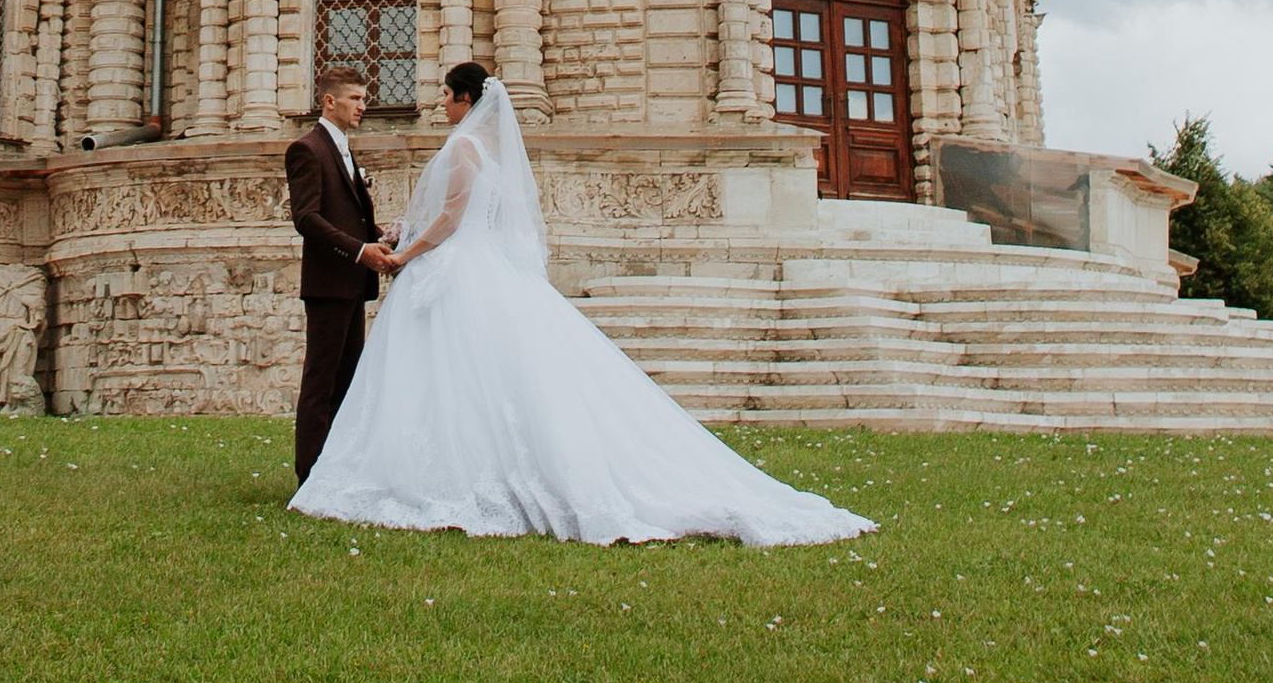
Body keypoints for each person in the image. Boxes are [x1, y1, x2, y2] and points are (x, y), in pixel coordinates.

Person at [292, 64, 873, 549]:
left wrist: (407, 253)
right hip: (468, 265)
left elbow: (450, 217)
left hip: (455, 266)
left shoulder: (466, 145)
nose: (439, 103)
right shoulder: (487, 147)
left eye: (446, 95)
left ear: (466, 100)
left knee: (453, 373)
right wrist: (396, 236)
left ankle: (436, 471)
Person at [285, 61, 389, 484]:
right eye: (356, 99)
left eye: (364, 99)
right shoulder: (307, 149)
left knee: (348, 381)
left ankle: (337, 472)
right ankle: (309, 476)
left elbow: (350, 215)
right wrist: (360, 251)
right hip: (328, 283)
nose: (363, 106)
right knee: (321, 383)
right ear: (330, 101)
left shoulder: (343, 147)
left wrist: (384, 238)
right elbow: (307, 218)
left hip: (352, 284)